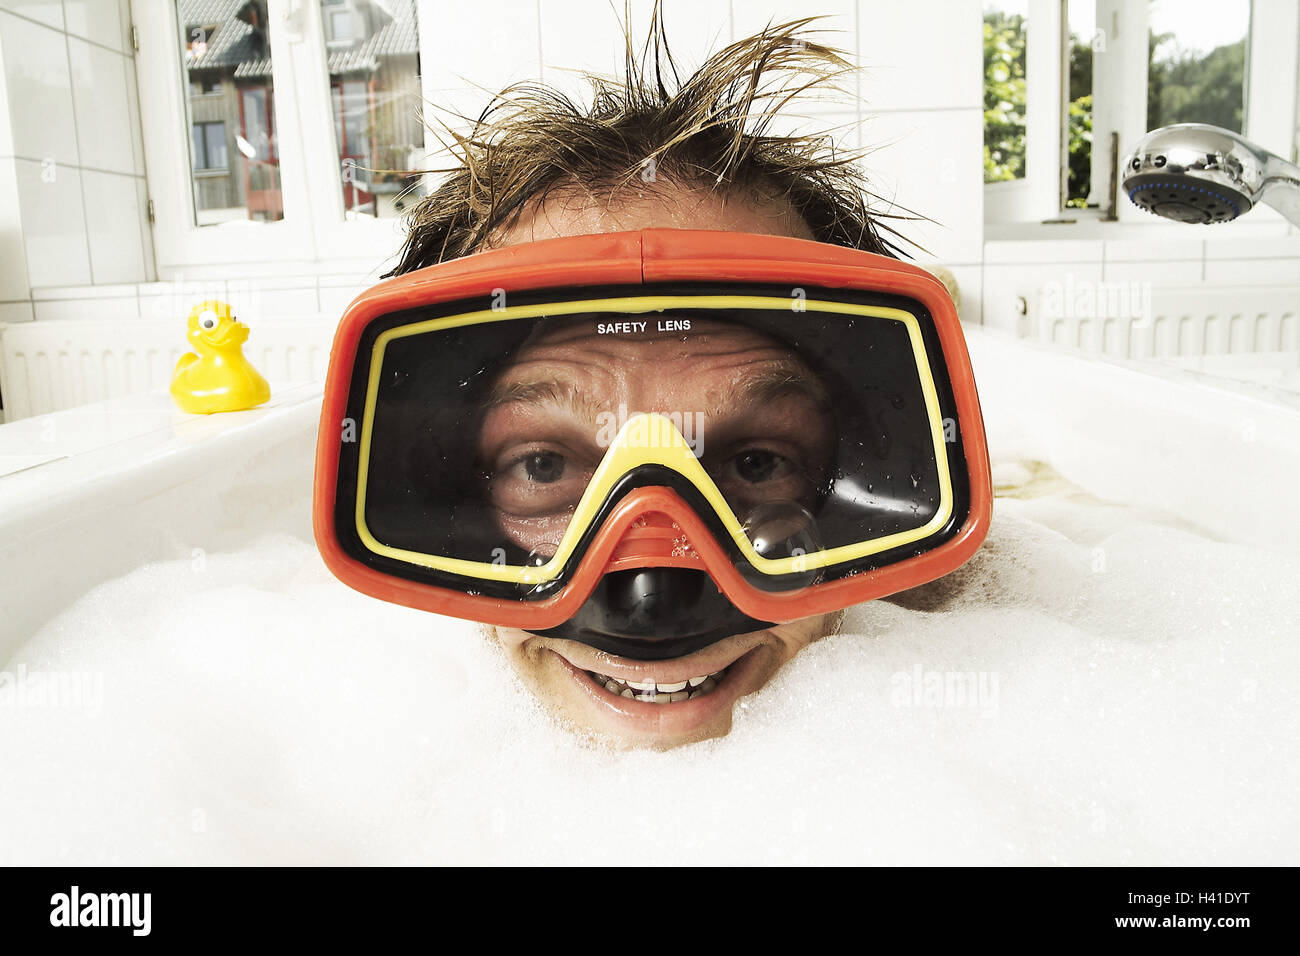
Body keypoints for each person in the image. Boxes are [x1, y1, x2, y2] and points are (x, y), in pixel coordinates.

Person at [386, 15, 915, 748]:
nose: (651, 599)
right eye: (544, 466)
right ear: (436, 499)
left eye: (755, 464)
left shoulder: (986, 638)